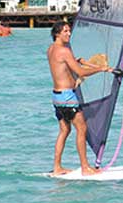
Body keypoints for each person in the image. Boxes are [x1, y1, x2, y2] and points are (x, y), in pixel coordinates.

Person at [47, 21, 112, 176]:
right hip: (68, 97)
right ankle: (85, 168)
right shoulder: (64, 51)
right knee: (81, 129)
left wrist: (79, 61)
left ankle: (57, 167)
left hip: (57, 96)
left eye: (69, 31)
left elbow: (62, 66)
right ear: (57, 33)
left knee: (64, 130)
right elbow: (81, 73)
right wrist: (100, 69)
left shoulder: (51, 49)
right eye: (65, 31)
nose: (69, 34)